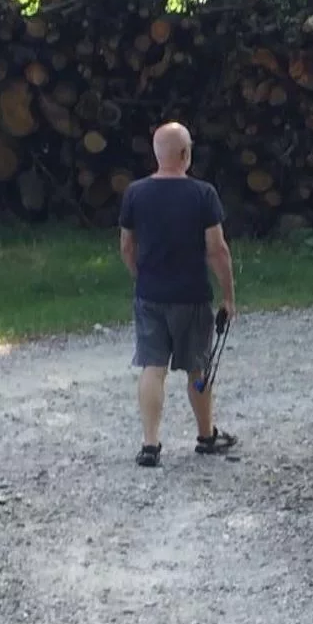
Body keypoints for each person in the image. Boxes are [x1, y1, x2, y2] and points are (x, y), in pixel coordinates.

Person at [119, 121, 237, 468]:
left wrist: (140, 276)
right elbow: (217, 250)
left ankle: (150, 444)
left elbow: (127, 246)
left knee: (152, 367)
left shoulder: (135, 193)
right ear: (185, 154)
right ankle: (205, 435)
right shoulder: (203, 194)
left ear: (157, 154)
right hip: (192, 296)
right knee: (197, 368)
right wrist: (228, 296)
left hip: (150, 295)